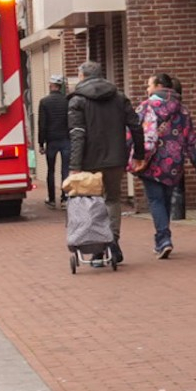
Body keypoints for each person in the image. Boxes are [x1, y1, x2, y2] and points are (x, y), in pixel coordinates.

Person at [68, 61, 143, 264]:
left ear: (82, 76)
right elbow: (136, 126)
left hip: (89, 161)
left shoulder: (77, 100)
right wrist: (139, 154)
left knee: (93, 201)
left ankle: (97, 248)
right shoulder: (119, 97)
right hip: (115, 159)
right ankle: (113, 242)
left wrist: (75, 166)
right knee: (113, 200)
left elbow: (77, 134)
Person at [135, 72, 196, 259]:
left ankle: (164, 239)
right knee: (165, 200)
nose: (147, 89)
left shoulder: (146, 107)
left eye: (149, 85)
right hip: (174, 163)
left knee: (155, 200)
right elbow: (192, 140)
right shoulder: (182, 110)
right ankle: (161, 240)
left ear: (159, 86)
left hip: (151, 161)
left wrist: (131, 157)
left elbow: (133, 132)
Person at [36, 75, 71, 208]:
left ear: (51, 86)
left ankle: (51, 199)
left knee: (51, 170)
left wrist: (41, 143)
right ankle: (65, 198)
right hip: (66, 139)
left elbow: (42, 124)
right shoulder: (67, 101)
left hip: (51, 140)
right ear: (60, 87)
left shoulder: (44, 102)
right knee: (65, 169)